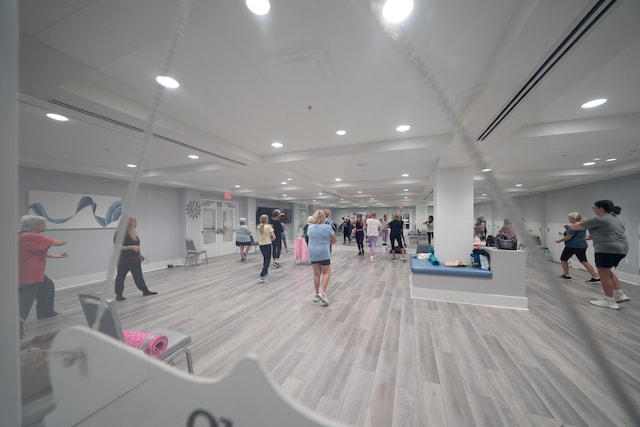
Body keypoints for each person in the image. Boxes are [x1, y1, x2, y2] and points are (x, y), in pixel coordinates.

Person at [569, 200, 630, 309]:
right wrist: (592, 236)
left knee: (604, 275)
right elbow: (610, 232)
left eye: (594, 208)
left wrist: (579, 220)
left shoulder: (600, 219)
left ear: (601, 209)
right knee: (607, 271)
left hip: (606, 249)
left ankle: (609, 300)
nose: (594, 210)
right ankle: (620, 294)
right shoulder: (618, 219)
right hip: (622, 249)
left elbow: (575, 227)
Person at [18, 215, 68, 321]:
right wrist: (65, 240)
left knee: (47, 286)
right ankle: (17, 326)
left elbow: (36, 253)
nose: (45, 226)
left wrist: (57, 256)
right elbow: (58, 243)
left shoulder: (22, 236)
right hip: (30, 275)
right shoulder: (31, 236)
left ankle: (46, 312)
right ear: (35, 226)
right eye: (42, 224)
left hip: (32, 273)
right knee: (25, 302)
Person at [114, 217, 158, 301]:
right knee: (120, 277)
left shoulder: (134, 233)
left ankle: (145, 291)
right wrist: (130, 247)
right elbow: (117, 247)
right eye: (135, 223)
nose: (136, 224)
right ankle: (119, 294)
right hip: (124, 260)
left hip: (135, 260)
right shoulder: (119, 233)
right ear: (129, 224)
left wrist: (140, 255)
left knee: (139, 277)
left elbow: (137, 246)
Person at [555, 212, 599, 282]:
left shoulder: (574, 226)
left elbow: (568, 237)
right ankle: (595, 276)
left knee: (563, 259)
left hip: (572, 246)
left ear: (574, 218)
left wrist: (559, 241)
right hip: (582, 245)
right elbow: (577, 234)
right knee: (584, 261)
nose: (568, 219)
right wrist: (567, 228)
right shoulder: (581, 225)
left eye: (569, 218)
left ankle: (566, 275)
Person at [306, 209, 336, 306]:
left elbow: (310, 237)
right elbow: (334, 240)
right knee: (326, 272)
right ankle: (323, 292)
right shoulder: (328, 227)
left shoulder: (309, 228)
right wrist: (327, 241)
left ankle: (316, 294)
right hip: (323, 252)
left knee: (316, 274)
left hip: (313, 251)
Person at [257, 214, 275, 283]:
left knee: (265, 259)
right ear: (267, 219)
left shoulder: (259, 226)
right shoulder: (269, 227)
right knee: (267, 261)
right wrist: (270, 239)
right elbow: (274, 237)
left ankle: (265, 275)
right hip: (267, 244)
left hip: (261, 244)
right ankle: (262, 275)